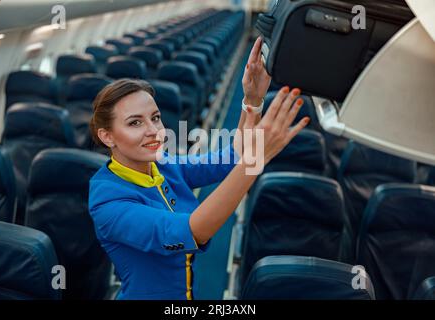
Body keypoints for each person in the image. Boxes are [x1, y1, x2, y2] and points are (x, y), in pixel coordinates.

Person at [88, 37, 309, 300]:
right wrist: (255, 160)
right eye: (135, 123)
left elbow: (230, 158)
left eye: (155, 118)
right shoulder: (107, 200)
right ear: (107, 136)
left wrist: (253, 99)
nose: (153, 131)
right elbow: (195, 230)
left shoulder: (162, 164)